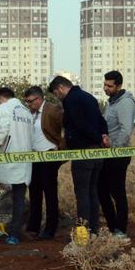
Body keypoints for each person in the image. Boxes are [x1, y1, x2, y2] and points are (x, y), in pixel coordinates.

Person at [48, 76, 109, 234]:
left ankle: (83, 231)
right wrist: (103, 137)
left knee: (82, 193)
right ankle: (94, 229)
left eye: (56, 93)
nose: (57, 97)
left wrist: (96, 138)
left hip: (83, 151)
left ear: (61, 88)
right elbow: (101, 120)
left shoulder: (70, 100)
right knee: (92, 191)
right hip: (97, 152)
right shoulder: (89, 97)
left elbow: (80, 124)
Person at [0, 87, 33, 245]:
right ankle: (14, 235)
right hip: (24, 159)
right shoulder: (26, 111)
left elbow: (2, 129)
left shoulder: (4, 107)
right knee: (18, 196)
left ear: (0, 97)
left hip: (7, 157)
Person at [23, 86, 65, 241]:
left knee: (50, 194)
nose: (29, 104)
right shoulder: (29, 114)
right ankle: (33, 227)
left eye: (30, 101)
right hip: (33, 158)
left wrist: (61, 152)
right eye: (26, 102)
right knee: (34, 194)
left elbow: (68, 127)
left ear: (39, 99)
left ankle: (50, 228)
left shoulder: (53, 110)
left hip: (49, 156)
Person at [99, 70, 135, 238]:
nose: (105, 88)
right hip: (108, 154)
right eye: (105, 84)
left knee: (117, 192)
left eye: (109, 85)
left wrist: (114, 146)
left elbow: (126, 130)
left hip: (118, 154)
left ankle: (120, 229)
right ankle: (112, 227)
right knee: (101, 190)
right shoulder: (112, 102)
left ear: (119, 86)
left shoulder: (125, 103)